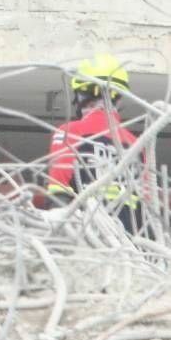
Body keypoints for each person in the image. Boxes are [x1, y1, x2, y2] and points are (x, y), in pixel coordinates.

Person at [37, 53, 143, 233]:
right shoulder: (136, 145)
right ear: (119, 98)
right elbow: (144, 203)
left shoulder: (71, 132)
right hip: (128, 245)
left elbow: (58, 191)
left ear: (82, 95)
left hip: (86, 241)